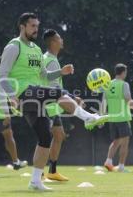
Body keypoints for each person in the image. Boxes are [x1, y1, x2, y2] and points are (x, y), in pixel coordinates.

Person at [0, 12, 108, 191]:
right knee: (58, 93)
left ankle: (35, 181)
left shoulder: (35, 49)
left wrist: (61, 72)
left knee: (45, 137)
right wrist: (11, 95)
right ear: (22, 27)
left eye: (37, 26)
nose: (36, 29)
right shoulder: (14, 46)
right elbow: (2, 75)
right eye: (32, 26)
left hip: (35, 96)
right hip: (23, 93)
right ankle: (88, 117)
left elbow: (44, 75)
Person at [42, 29, 85, 181]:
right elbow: (54, 89)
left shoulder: (50, 58)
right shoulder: (51, 61)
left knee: (58, 135)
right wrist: (74, 97)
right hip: (48, 105)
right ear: (53, 42)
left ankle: (52, 171)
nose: (62, 40)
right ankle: (39, 173)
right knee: (45, 138)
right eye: (59, 38)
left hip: (52, 105)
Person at [102, 63, 133, 172]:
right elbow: (128, 100)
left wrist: (102, 118)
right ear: (123, 72)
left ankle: (108, 162)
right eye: (125, 72)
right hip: (123, 118)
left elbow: (103, 102)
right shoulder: (124, 84)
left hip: (112, 118)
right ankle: (121, 166)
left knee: (116, 141)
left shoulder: (107, 84)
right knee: (125, 143)